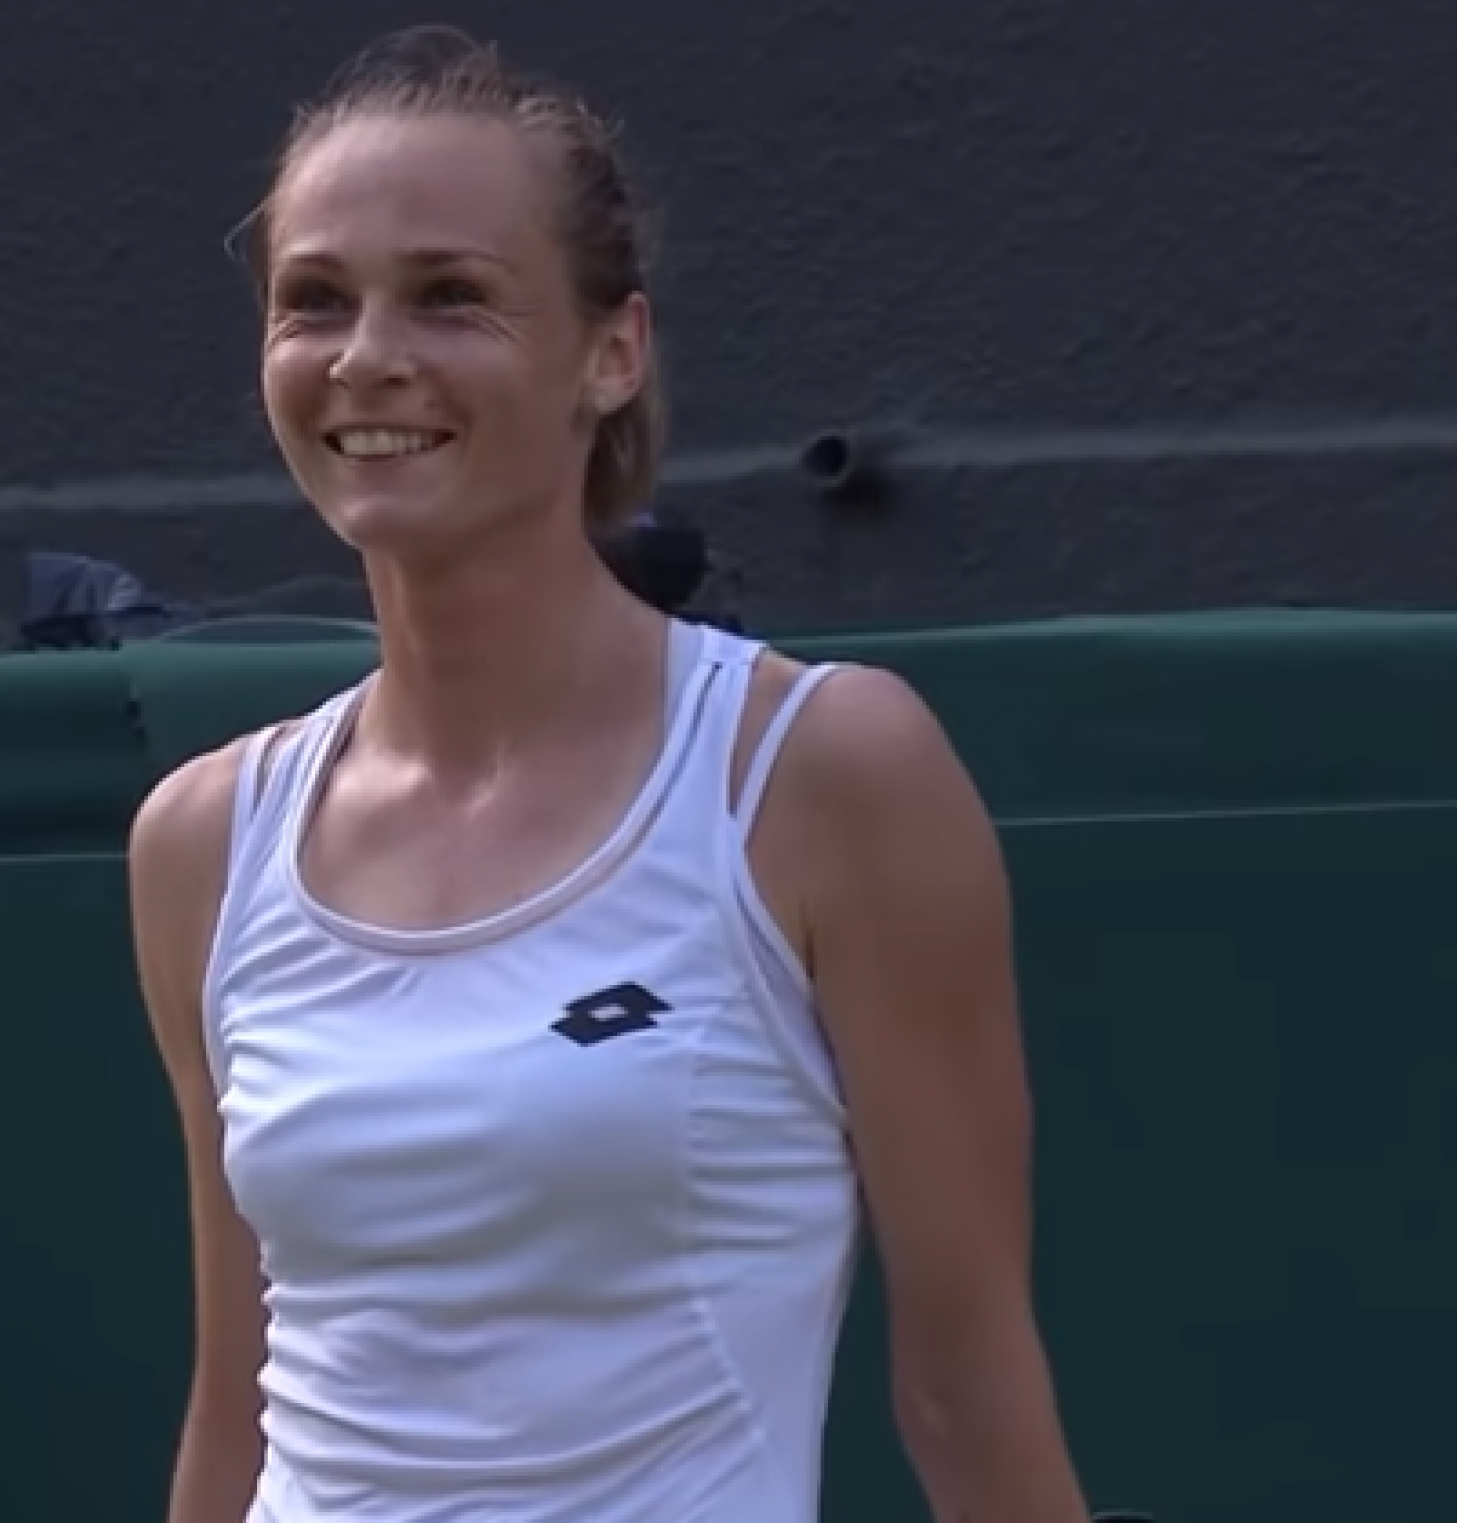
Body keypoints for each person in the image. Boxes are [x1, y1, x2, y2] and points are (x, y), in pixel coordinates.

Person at [130, 26, 1091, 1523]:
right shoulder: (203, 839)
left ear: (612, 352)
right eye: (313, 299)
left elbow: (966, 1385)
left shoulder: (823, 772)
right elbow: (236, 1399)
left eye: (450, 295)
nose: (367, 355)